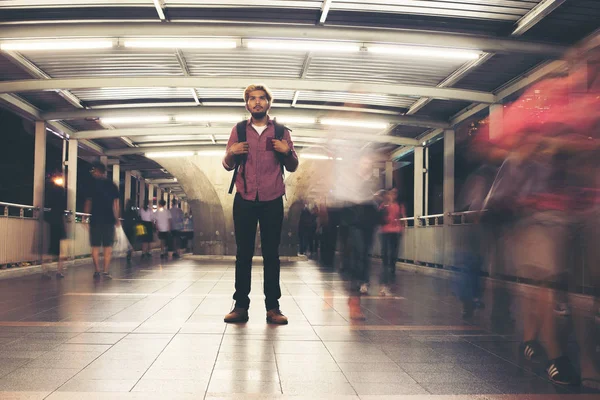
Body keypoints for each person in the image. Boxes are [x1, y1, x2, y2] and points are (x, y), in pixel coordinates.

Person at [222, 84, 299, 325]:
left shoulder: (281, 131)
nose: (257, 102)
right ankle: (241, 306)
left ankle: (273, 308)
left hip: (272, 198)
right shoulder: (238, 130)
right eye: (252, 99)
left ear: (268, 103)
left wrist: (287, 151)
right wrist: (232, 152)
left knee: (271, 254)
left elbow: (293, 166)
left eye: (262, 99)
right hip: (244, 197)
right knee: (243, 253)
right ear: (247, 104)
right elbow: (226, 164)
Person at [84, 162, 120, 280]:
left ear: (98, 171)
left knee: (95, 246)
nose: (93, 173)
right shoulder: (112, 185)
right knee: (107, 247)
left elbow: (88, 201)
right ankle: (105, 271)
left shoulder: (92, 184)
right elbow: (115, 204)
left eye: (94, 171)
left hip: (95, 219)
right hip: (109, 219)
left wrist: (85, 216)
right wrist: (117, 218)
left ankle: (97, 271)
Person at [378, 188, 406, 295]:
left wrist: (402, 228)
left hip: (396, 232)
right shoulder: (384, 205)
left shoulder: (399, 205)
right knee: (385, 253)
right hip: (385, 232)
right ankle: (386, 269)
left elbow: (403, 217)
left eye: (395, 193)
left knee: (394, 253)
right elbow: (379, 217)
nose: (393, 195)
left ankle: (392, 269)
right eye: (391, 193)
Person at [41, 173, 68, 280]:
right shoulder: (61, 191)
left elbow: (46, 204)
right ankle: (59, 271)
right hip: (59, 221)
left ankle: (45, 270)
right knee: (61, 248)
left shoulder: (47, 191)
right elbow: (63, 207)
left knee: (50, 246)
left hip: (50, 221)